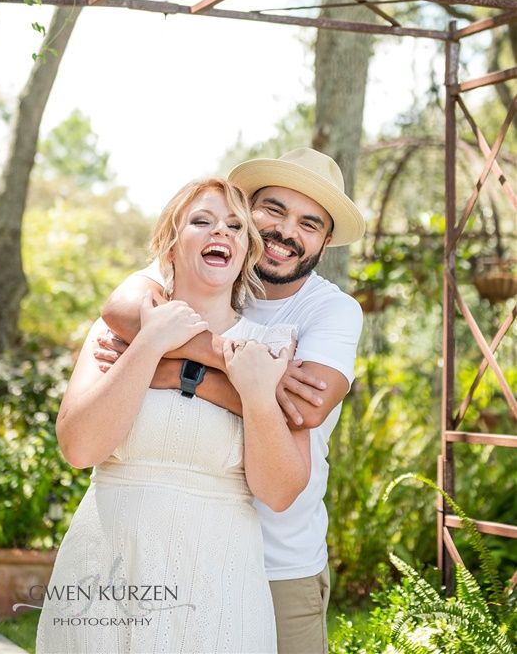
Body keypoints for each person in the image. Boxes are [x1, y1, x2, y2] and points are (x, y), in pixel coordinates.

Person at [97, 148, 365, 654]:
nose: (287, 232)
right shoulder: (198, 270)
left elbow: (301, 412)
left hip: (278, 559)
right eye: (273, 211)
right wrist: (237, 365)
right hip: (176, 551)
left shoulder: (331, 311)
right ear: (246, 212)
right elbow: (121, 310)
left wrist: (173, 368)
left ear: (325, 241)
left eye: (309, 223)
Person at [36, 177, 310, 654]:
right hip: (105, 567)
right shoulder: (117, 333)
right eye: (201, 221)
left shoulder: (274, 351)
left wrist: (258, 395)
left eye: (234, 226)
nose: (219, 233)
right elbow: (79, 449)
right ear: (170, 244)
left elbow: (281, 492)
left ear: (246, 252)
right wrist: (150, 343)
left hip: (220, 580)